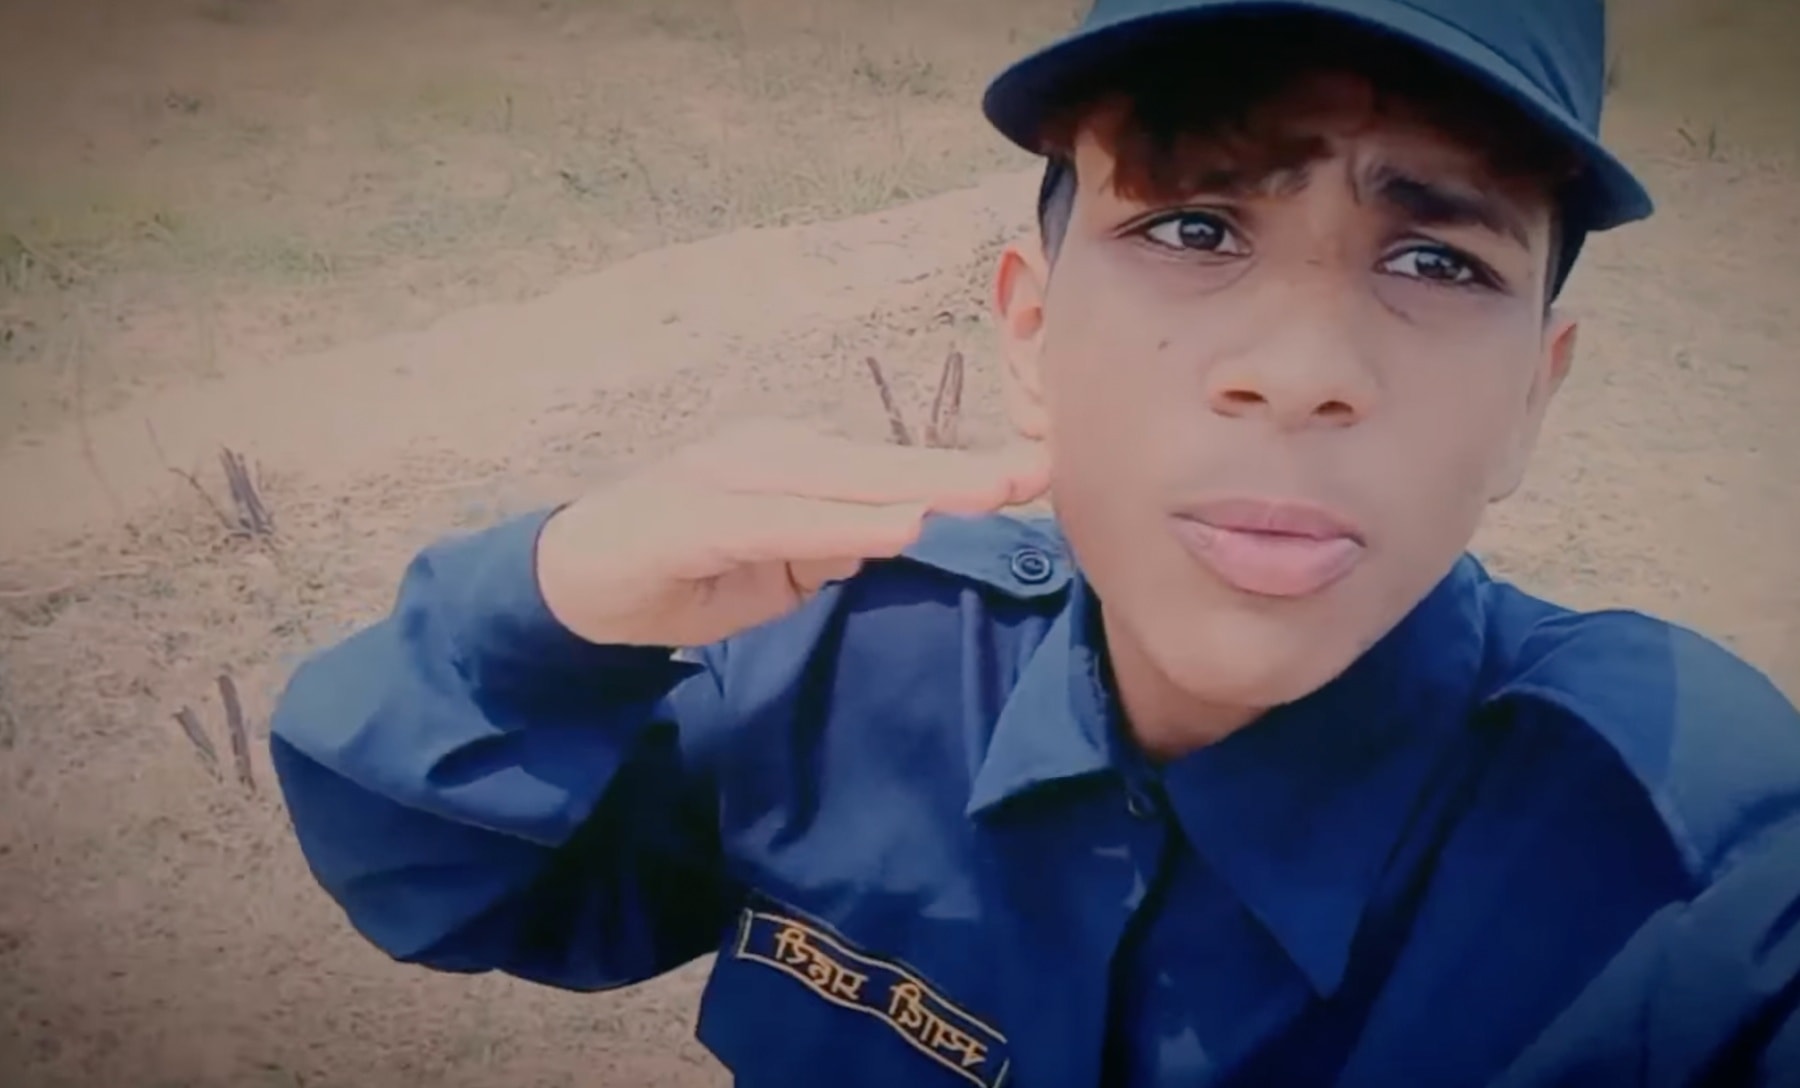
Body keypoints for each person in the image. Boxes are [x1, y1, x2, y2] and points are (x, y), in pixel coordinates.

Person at [269, 1, 1800, 1085]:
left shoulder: (1696, 870)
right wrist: (553, 605)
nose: (1302, 370)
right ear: (1029, 330)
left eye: (1436, 260)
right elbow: (437, 878)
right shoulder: (844, 661)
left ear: (1532, 399)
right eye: (1195, 227)